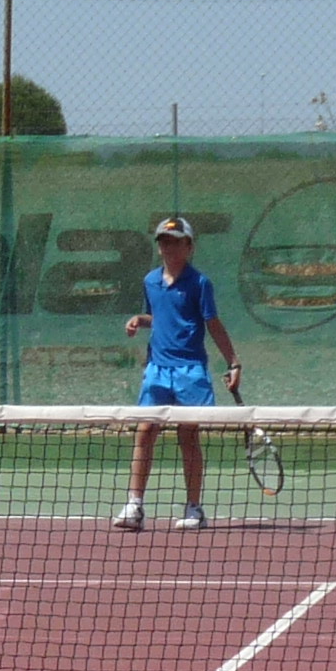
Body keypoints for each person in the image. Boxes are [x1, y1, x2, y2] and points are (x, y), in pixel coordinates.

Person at [114, 215, 242, 531]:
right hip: (157, 369)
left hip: (190, 370)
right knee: (145, 431)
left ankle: (194, 508)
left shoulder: (200, 283)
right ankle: (134, 506)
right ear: (159, 248)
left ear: (189, 247)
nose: (169, 248)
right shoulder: (150, 281)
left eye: (176, 242)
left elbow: (212, 324)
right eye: (164, 242)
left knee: (188, 435)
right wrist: (140, 320)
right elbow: (160, 316)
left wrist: (233, 362)